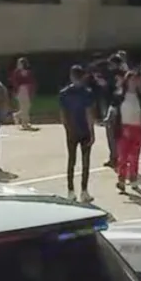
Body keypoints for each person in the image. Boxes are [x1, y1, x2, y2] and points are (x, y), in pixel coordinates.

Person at [60, 65, 98, 203]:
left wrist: (67, 128)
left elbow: (63, 115)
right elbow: (89, 114)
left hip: (72, 130)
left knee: (71, 160)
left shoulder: (64, 93)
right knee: (85, 161)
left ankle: (70, 190)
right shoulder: (87, 92)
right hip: (84, 130)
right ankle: (84, 190)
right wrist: (92, 132)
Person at [114, 72, 141, 194]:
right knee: (122, 157)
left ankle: (133, 178)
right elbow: (115, 113)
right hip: (123, 128)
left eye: (135, 80)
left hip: (137, 128)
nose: (133, 82)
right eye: (131, 80)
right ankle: (121, 180)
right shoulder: (119, 96)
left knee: (134, 156)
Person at [10, 57, 37, 130]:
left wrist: (32, 90)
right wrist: (15, 91)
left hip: (27, 90)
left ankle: (17, 116)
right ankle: (24, 123)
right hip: (20, 90)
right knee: (23, 107)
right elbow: (14, 82)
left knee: (27, 106)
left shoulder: (29, 72)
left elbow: (32, 81)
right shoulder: (16, 72)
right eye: (18, 64)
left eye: (21, 64)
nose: (19, 65)